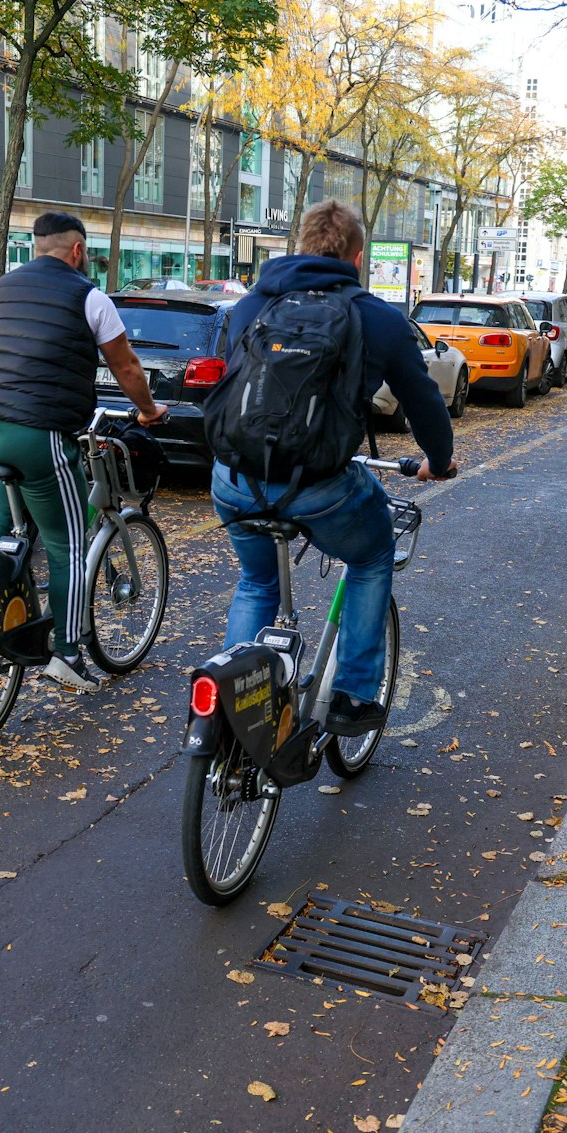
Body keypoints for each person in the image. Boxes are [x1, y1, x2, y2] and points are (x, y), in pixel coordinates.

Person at [210, 200, 455, 737]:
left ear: (298, 245)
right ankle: (353, 697)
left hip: (235, 479)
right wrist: (438, 462)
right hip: (318, 486)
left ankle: (233, 704)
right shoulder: (379, 319)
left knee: (256, 581)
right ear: (357, 256)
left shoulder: (251, 306)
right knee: (372, 556)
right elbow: (424, 403)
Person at [0, 211, 166, 693]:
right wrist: (149, 412)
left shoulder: (1, 287)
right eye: (87, 253)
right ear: (77, 251)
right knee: (68, 543)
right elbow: (128, 367)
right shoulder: (88, 296)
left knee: (6, 535)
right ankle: (68, 655)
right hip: (36, 432)